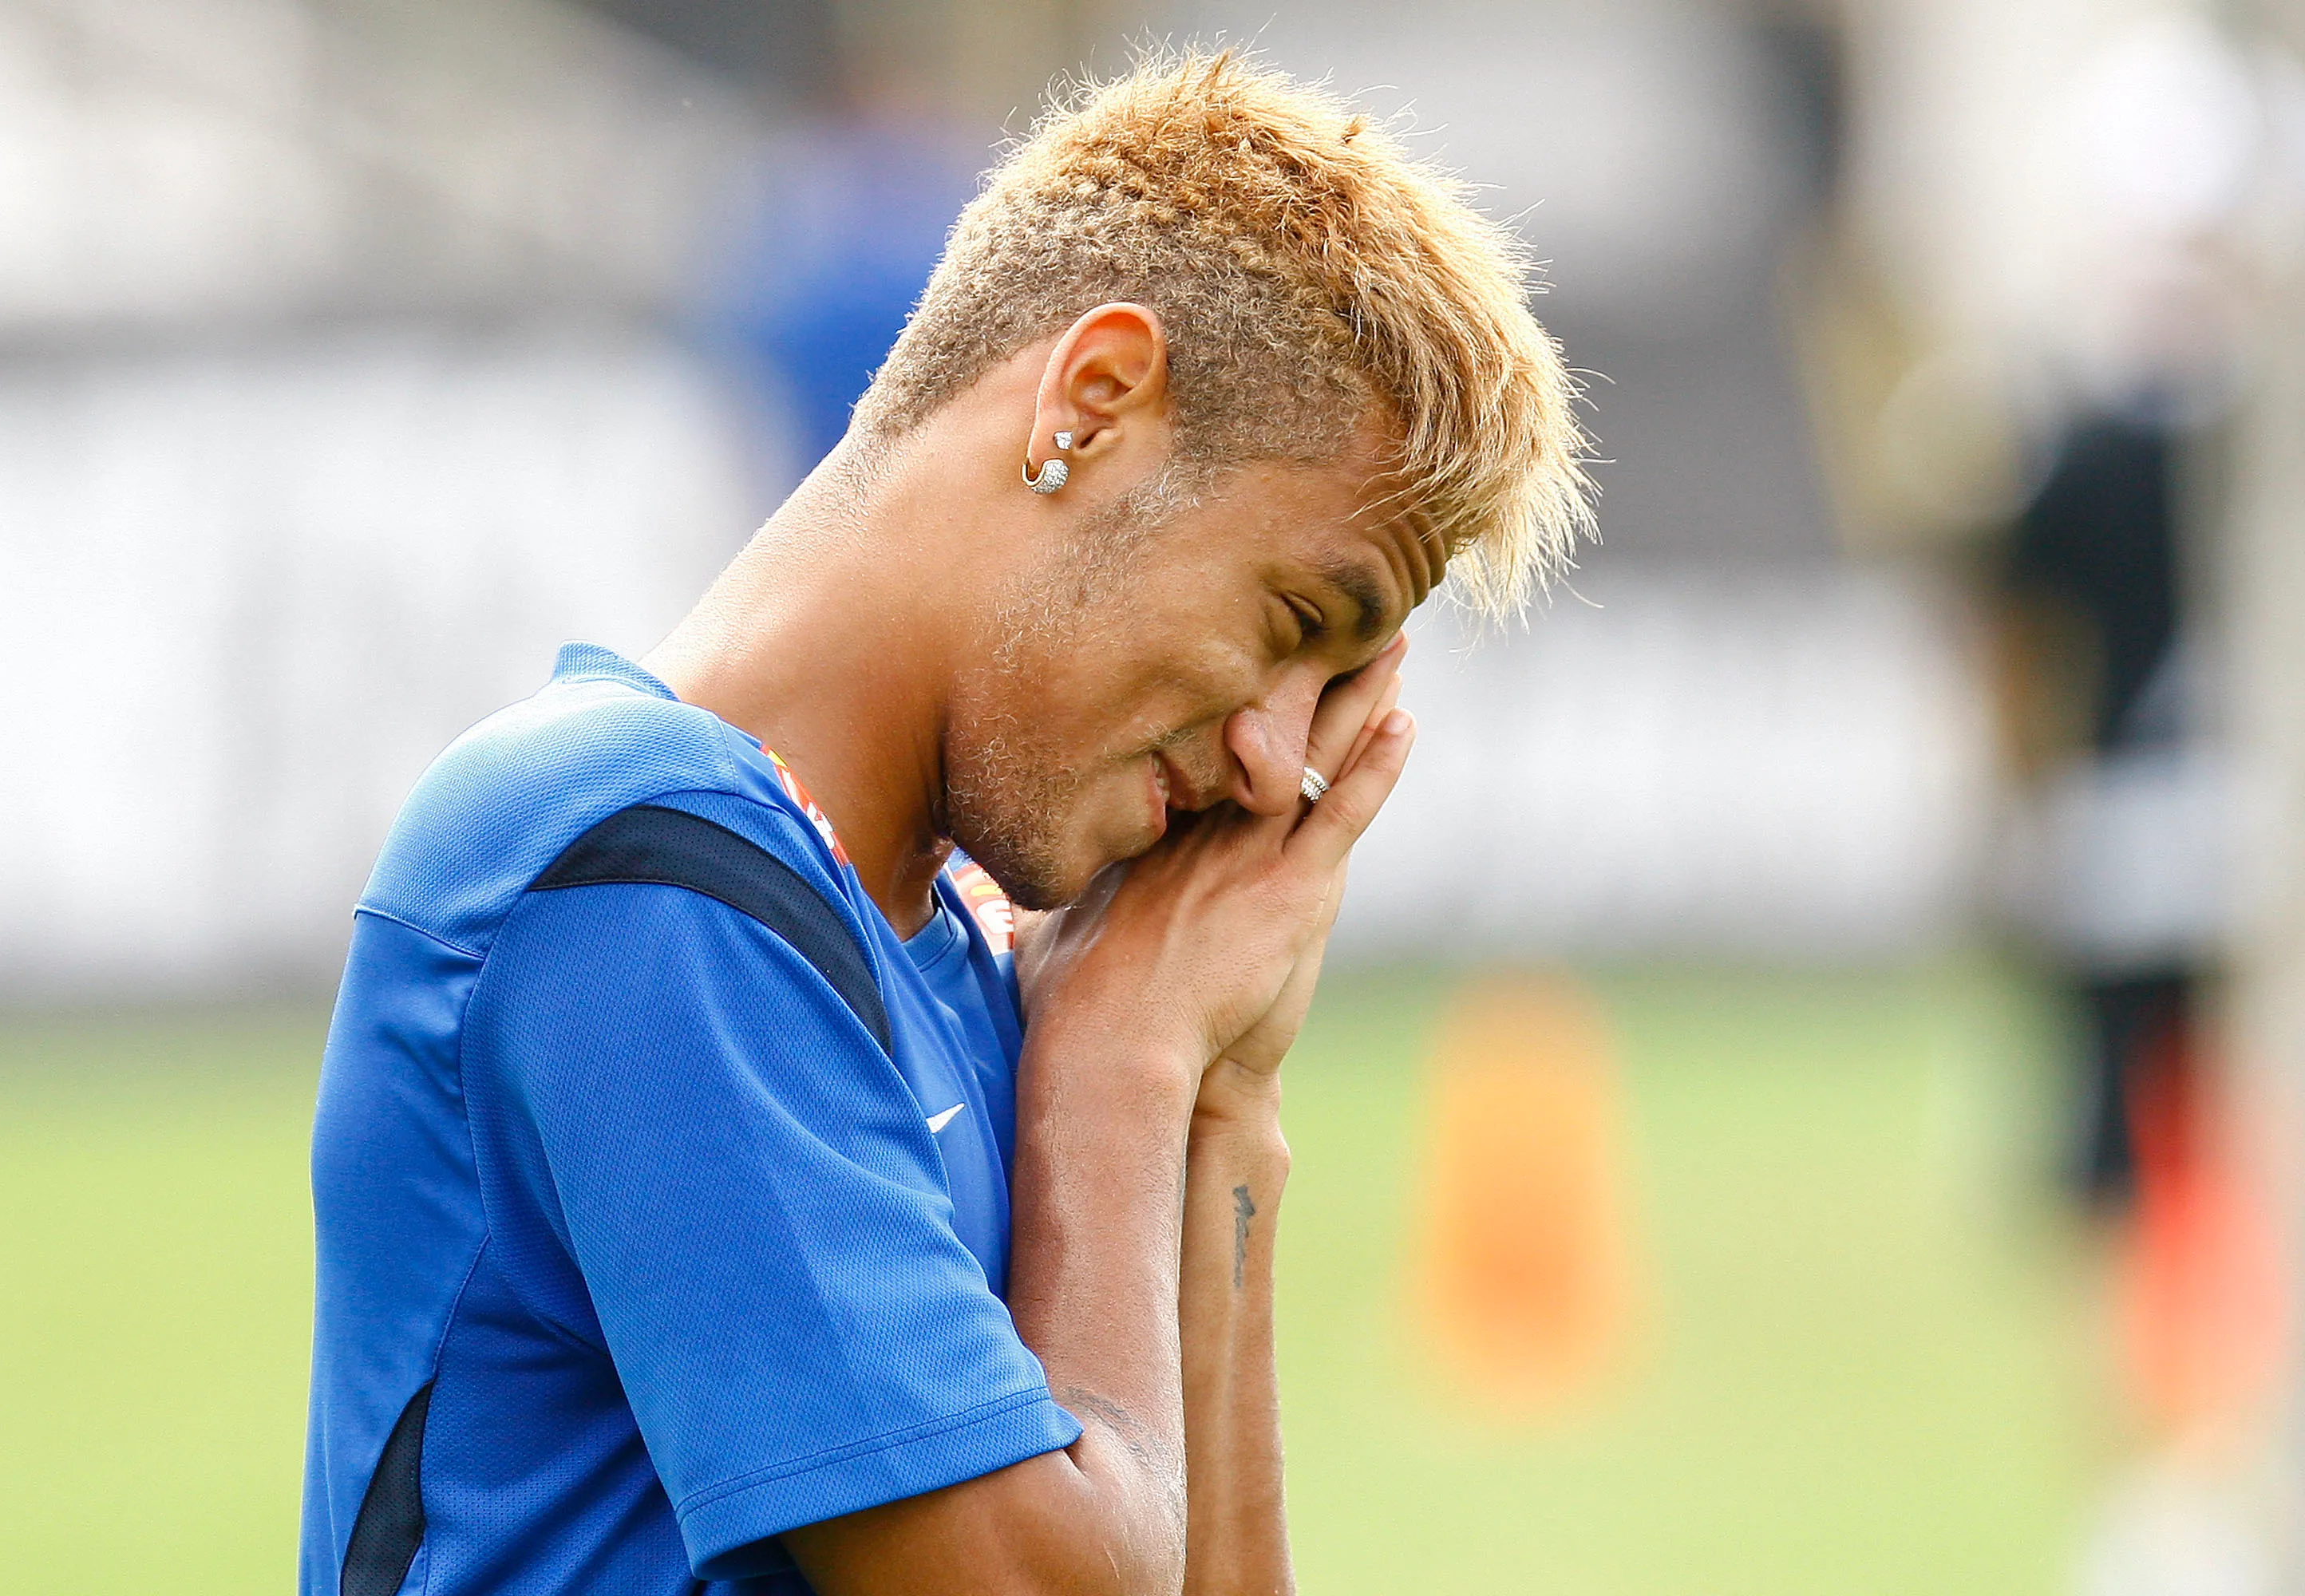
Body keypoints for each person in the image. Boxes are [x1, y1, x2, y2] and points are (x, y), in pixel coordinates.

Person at [300, 50, 1589, 1596]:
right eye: (1295, 622)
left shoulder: (971, 958)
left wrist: (1219, 1108)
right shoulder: (635, 865)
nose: (1273, 765)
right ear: (1092, 407)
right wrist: (1121, 1075)